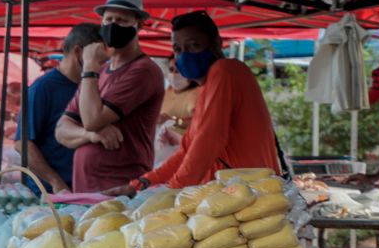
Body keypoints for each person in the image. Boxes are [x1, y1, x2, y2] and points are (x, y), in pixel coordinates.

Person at [105, 11, 281, 194]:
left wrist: (172, 191)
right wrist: (142, 183)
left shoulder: (225, 71)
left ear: (216, 44)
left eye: (193, 46)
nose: (184, 55)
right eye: (178, 49)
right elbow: (187, 151)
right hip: (236, 194)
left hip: (249, 194)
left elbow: (209, 141)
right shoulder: (207, 87)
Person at [54, 0, 165, 192]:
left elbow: (92, 120)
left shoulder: (143, 71)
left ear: (138, 25)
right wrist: (90, 135)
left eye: (122, 20)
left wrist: (88, 67)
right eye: (108, 19)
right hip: (88, 189)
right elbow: (61, 130)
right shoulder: (101, 71)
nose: (113, 25)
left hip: (120, 187)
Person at [18, 24, 102, 193]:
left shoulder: (94, 86)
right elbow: (22, 144)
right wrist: (56, 182)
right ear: (78, 52)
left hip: (86, 190)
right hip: (51, 195)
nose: (101, 65)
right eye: (98, 58)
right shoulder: (43, 88)